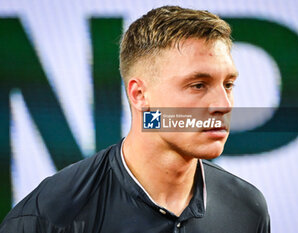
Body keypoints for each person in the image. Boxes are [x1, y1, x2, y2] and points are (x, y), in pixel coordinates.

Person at [0, 5, 270, 233]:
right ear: (140, 94)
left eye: (229, 84)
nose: (223, 105)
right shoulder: (49, 216)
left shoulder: (247, 208)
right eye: (198, 85)